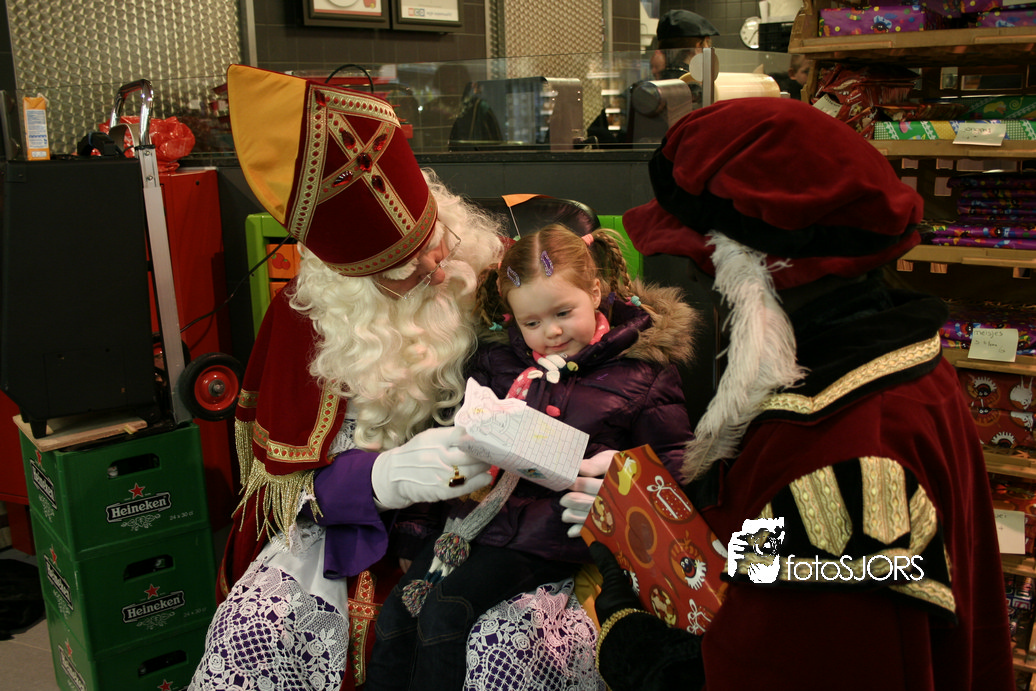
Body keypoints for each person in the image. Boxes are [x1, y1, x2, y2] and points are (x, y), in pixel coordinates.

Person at [588, 97, 1015, 690]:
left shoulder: (843, 455)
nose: (689, 280)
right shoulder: (898, 369)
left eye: (703, 266)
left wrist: (632, 639)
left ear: (762, 277)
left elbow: (787, 668)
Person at [189, 64, 508, 691]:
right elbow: (280, 497)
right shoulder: (303, 320)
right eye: (406, 273)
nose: (438, 271)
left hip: (487, 521)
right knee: (254, 630)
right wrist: (378, 479)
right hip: (347, 531)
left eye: (436, 243)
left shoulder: (490, 268)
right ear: (354, 286)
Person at [365, 223, 699, 690]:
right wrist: (416, 531)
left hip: (550, 535)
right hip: (471, 523)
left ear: (595, 291)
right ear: (512, 318)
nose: (552, 332)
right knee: (395, 619)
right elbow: (450, 446)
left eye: (563, 313)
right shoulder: (498, 362)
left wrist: (621, 479)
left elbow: (675, 463)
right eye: (532, 323)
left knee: (445, 615)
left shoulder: (641, 371)